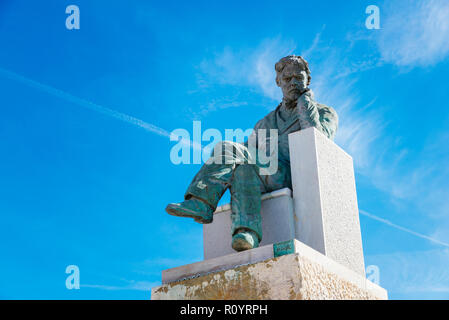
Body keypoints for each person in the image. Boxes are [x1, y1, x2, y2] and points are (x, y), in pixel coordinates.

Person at [166, 55, 338, 252]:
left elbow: (319, 140)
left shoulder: (324, 112)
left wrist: (305, 103)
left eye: (298, 78)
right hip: (267, 174)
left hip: (296, 175)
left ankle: (202, 202)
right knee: (243, 169)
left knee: (227, 148)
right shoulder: (264, 123)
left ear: (307, 80)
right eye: (287, 78)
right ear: (278, 82)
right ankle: (246, 233)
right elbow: (246, 152)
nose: (293, 83)